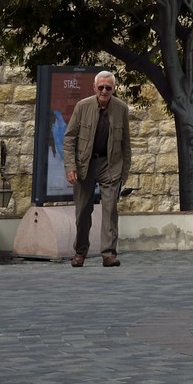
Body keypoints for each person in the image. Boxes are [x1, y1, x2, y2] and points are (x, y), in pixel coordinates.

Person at [63, 69, 132, 269]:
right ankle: (80, 252)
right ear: (94, 88)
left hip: (110, 164)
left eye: (108, 87)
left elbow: (126, 143)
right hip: (85, 164)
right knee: (83, 211)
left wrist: (124, 172)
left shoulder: (121, 108)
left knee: (110, 210)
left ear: (113, 89)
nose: (104, 90)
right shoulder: (82, 107)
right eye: (100, 87)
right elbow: (69, 139)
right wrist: (70, 166)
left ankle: (109, 254)